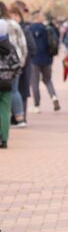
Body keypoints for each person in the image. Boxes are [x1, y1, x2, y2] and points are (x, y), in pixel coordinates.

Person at [0, 2, 27, 127]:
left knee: (6, 93)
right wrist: (20, 62)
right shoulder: (14, 24)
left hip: (3, 64)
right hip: (14, 63)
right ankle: (20, 118)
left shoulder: (4, 24)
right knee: (14, 90)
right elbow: (23, 45)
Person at [29, 11, 60, 113]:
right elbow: (56, 42)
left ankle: (37, 106)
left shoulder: (29, 29)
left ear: (34, 18)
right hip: (47, 59)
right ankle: (54, 97)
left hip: (34, 59)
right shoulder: (48, 29)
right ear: (41, 18)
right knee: (47, 80)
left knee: (35, 82)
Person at [9, 3, 36, 121]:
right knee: (13, 91)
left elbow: (32, 48)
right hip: (12, 66)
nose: (14, 18)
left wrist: (22, 58)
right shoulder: (9, 28)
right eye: (11, 16)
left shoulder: (25, 29)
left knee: (22, 92)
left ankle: (22, 117)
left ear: (20, 17)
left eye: (16, 16)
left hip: (23, 66)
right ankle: (14, 117)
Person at [0, 19, 22, 148]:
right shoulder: (10, 47)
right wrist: (10, 75)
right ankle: (4, 139)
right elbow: (17, 65)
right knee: (5, 111)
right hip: (7, 83)